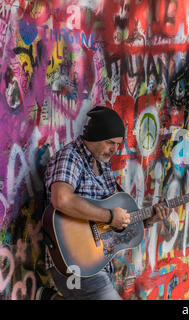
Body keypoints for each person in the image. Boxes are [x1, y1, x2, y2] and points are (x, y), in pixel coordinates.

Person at [38, 106, 171, 300]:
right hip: (74, 265)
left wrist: (148, 220)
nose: (115, 149)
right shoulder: (70, 158)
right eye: (110, 143)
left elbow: (115, 222)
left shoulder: (103, 164)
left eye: (118, 144)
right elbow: (62, 199)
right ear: (94, 137)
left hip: (98, 263)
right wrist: (109, 217)